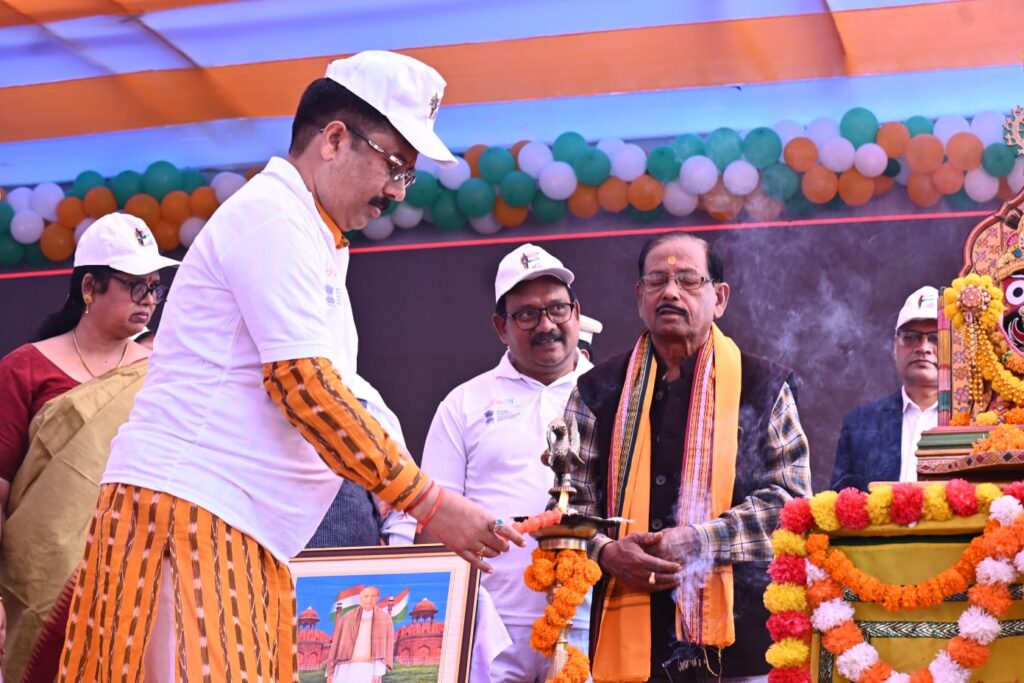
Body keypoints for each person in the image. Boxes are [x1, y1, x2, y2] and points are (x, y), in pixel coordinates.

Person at [57, 50, 521, 683]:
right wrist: (429, 503)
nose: (396, 190)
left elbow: (340, 391)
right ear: (334, 139)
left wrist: (417, 499)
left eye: (407, 177)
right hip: (190, 513)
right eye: (394, 166)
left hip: (239, 527)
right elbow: (305, 387)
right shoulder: (273, 217)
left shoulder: (312, 233)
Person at [564, 232, 811, 683]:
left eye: (688, 281)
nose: (671, 292)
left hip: (744, 647)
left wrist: (699, 540)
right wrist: (606, 552)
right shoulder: (597, 390)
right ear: (639, 296)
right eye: (657, 281)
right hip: (629, 646)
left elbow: (793, 507)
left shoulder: (765, 385)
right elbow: (567, 508)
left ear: (719, 298)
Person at [0, 213, 177, 683]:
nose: (148, 300)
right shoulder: (25, 370)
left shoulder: (163, 373)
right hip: (43, 590)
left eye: (154, 287)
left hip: (140, 584)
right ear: (89, 287)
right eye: (135, 286)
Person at [418, 243, 592, 682]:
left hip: (590, 623)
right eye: (527, 314)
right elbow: (430, 519)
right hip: (488, 631)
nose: (546, 324)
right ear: (501, 327)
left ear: (576, 313)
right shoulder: (463, 403)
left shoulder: (613, 393)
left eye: (557, 309)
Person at [831, 286, 938, 491]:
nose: (923, 348)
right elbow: (839, 503)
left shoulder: (973, 421)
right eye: (911, 336)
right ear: (894, 346)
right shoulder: (860, 425)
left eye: (936, 338)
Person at [323, 586, 394, 683]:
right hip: (345, 667)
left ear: (377, 598)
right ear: (360, 599)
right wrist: (330, 673)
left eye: (373, 596)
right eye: (366, 596)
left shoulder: (384, 619)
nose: (369, 600)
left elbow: (384, 648)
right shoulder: (346, 618)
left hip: (369, 668)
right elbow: (335, 646)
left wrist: (378, 672)